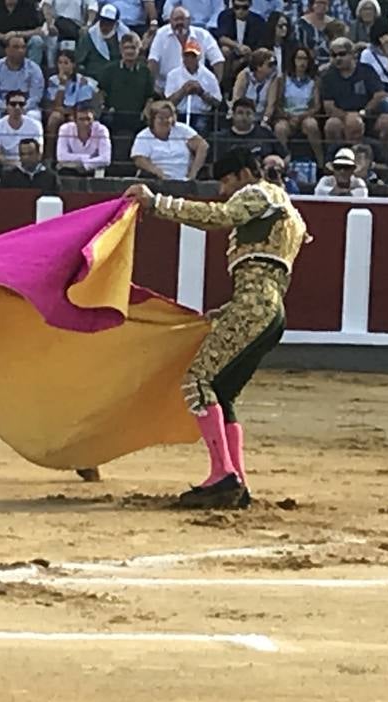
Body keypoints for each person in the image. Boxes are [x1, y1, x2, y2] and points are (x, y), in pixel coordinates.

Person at [122, 148, 309, 509]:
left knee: (198, 381)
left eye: (226, 181)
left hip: (254, 307)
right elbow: (266, 272)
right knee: (221, 392)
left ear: (243, 173)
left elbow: (220, 216)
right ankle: (235, 480)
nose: (224, 190)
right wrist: (227, 310)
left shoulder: (258, 193)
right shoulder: (290, 214)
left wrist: (156, 202)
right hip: (269, 311)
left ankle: (223, 476)